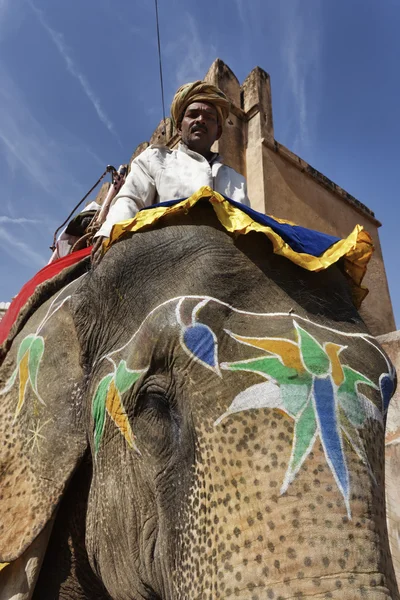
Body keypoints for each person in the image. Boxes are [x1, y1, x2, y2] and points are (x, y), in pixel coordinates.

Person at [92, 80, 250, 263]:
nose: (201, 120)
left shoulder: (235, 180)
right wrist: (110, 232)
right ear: (179, 126)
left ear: (218, 131)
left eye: (209, 117)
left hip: (222, 260)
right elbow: (130, 199)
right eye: (193, 114)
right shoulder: (155, 159)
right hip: (163, 256)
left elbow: (246, 226)